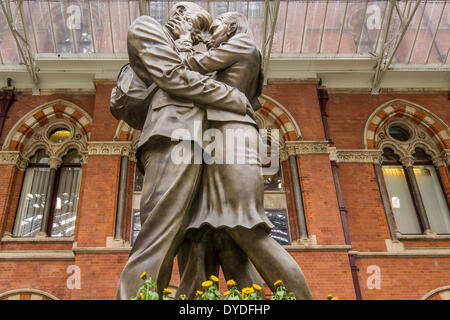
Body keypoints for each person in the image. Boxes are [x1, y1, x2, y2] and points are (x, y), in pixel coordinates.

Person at [114, 3, 253, 300]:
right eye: (200, 31)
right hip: (173, 135)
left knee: (196, 238)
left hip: (203, 143)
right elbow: (174, 76)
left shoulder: (186, 47)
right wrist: (234, 98)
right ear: (179, 17)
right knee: (158, 231)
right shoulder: (147, 28)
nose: (203, 41)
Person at [176, 12, 313, 300]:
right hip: (215, 141)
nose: (210, 36)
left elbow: (192, 66)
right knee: (212, 233)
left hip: (232, 137)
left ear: (233, 27)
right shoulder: (230, 52)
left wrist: (186, 39)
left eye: (215, 29)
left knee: (244, 225)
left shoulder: (242, 45)